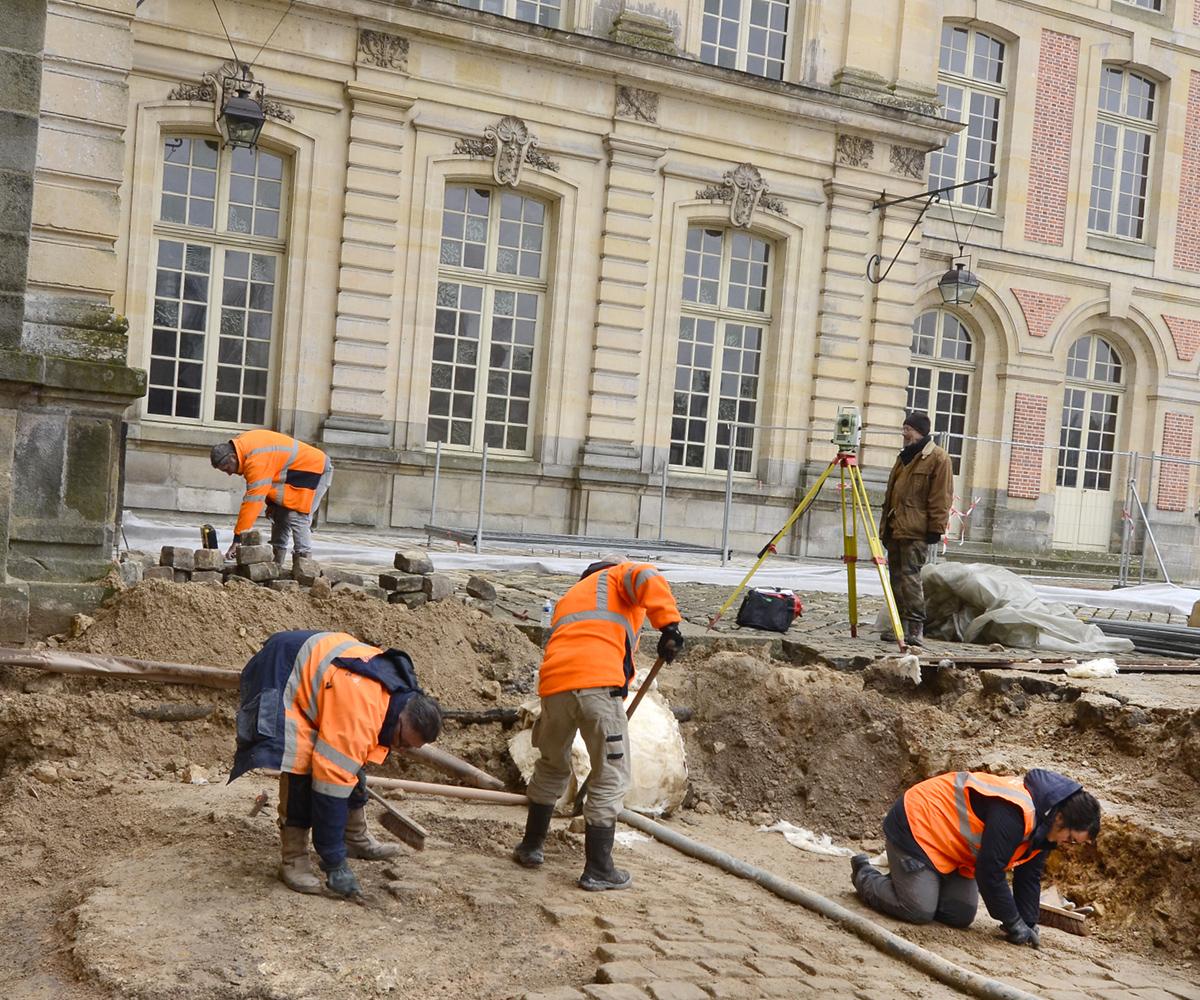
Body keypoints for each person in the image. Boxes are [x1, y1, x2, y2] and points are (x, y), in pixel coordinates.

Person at [511, 554, 685, 891]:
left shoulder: (571, 596)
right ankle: (599, 868)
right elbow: (646, 574)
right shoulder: (619, 575)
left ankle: (531, 846)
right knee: (611, 773)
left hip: (554, 687)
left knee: (551, 764)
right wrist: (669, 626)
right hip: (598, 687)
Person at [228, 630, 443, 897]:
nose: (400, 749)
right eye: (402, 742)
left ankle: (354, 838)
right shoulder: (360, 714)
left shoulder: (401, 692)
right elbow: (329, 789)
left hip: (325, 673)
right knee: (302, 769)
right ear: (402, 718)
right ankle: (294, 859)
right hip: (284, 672)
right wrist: (334, 863)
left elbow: (349, 764)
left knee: (347, 763)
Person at [851, 769, 1101, 948]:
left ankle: (911, 881)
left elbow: (1029, 875)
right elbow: (989, 872)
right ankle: (866, 875)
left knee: (959, 914)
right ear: (1060, 819)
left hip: (952, 848)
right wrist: (1012, 921)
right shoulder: (1015, 812)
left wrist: (1028, 922)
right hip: (919, 824)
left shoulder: (1046, 831)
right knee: (918, 910)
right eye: (1070, 838)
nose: (1065, 844)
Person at [879, 411, 953, 646]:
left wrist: (936, 528)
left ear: (919, 432)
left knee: (911, 579)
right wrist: (885, 528)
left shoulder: (938, 459)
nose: (904, 433)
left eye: (908, 429)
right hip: (896, 528)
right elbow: (892, 495)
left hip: (916, 529)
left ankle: (915, 627)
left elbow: (941, 497)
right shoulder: (904, 458)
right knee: (896, 579)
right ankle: (898, 624)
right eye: (904, 428)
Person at [210, 430, 333, 565]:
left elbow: (253, 501)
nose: (229, 473)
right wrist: (272, 504)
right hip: (295, 471)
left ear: (233, 457)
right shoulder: (243, 446)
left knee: (298, 516)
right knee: (279, 513)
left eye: (227, 468)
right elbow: (268, 478)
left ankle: (304, 566)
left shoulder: (255, 459)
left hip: (316, 469)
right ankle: (276, 564)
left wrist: (238, 539)